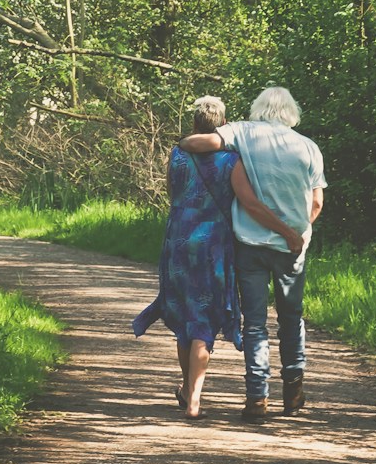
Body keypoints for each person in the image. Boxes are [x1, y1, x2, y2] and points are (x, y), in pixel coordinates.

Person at [133, 97, 301, 419]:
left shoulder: (177, 154)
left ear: (195, 123)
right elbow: (248, 202)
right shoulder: (231, 160)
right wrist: (284, 229)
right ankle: (193, 399)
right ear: (223, 125)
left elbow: (173, 192)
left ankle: (187, 390)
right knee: (203, 319)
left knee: (186, 316)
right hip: (213, 244)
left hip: (177, 239)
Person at [179, 87, 324, 422]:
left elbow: (199, 144)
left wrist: (184, 142)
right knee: (291, 318)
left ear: (259, 108)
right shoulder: (308, 147)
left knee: (255, 324)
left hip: (250, 244)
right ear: (291, 111)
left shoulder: (242, 131)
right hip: (292, 248)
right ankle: (293, 391)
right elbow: (317, 201)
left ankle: (257, 399)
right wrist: (296, 233)